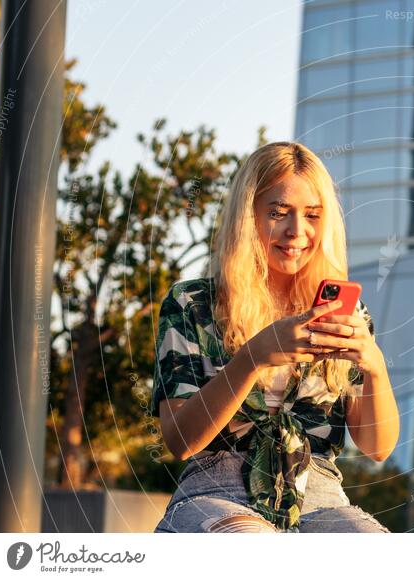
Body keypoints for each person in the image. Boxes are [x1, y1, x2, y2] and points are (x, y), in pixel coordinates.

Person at [151, 142, 399, 533]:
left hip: (319, 494)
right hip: (217, 490)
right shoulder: (192, 304)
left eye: (312, 215)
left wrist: (375, 367)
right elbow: (180, 440)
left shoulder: (346, 313)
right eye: (279, 213)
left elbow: (377, 448)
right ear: (247, 217)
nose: (297, 231)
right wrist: (252, 358)